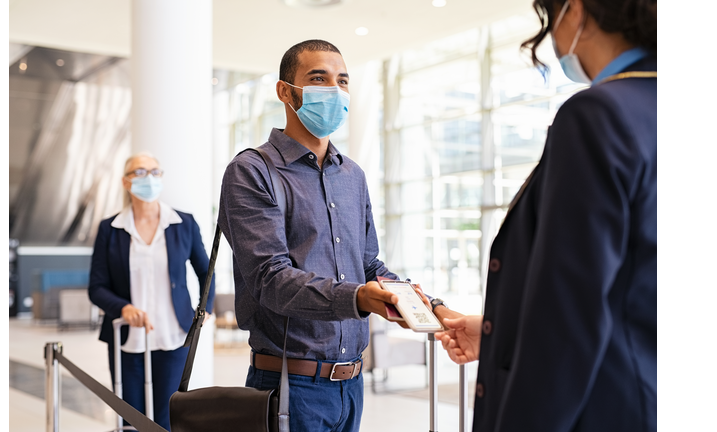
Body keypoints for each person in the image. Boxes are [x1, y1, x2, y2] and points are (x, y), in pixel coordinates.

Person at [435, 0, 656, 431]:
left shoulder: (598, 115)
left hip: (599, 408)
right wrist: (502, 333)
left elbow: (570, 312)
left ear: (573, 10)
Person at [217, 39, 403, 432]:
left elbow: (368, 264)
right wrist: (355, 297)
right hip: (289, 385)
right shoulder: (252, 171)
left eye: (342, 81)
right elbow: (271, 279)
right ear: (286, 91)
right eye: (319, 79)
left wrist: (425, 304)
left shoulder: (352, 175)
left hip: (352, 386)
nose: (334, 91)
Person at [88, 152, 216, 431]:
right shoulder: (110, 229)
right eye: (140, 172)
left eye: (155, 172)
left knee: (167, 420)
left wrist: (205, 307)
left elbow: (206, 271)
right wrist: (123, 308)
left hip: (173, 338)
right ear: (125, 182)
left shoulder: (183, 223)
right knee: (130, 421)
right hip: (127, 342)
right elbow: (96, 287)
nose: (150, 178)